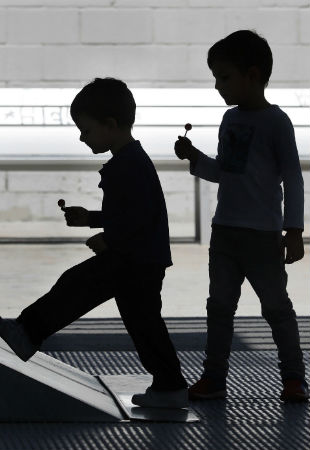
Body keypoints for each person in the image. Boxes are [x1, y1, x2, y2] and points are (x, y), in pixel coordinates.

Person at [0, 77, 188, 409]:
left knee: (84, 289)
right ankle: (169, 385)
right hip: (138, 260)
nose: (82, 137)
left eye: (86, 130)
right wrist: (92, 218)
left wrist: (110, 237)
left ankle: (26, 333)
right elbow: (128, 212)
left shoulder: (129, 166)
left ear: (110, 125)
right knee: (142, 323)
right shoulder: (130, 161)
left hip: (134, 261)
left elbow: (138, 217)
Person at [174, 30, 308, 402]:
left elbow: (293, 177)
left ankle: (294, 378)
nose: (218, 86)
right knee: (219, 307)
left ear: (252, 74)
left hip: (262, 235)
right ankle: (214, 378)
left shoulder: (276, 123)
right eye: (216, 77)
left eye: (224, 76)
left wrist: (293, 230)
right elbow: (226, 171)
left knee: (276, 308)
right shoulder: (230, 120)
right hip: (226, 232)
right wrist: (195, 158)